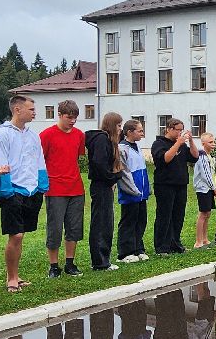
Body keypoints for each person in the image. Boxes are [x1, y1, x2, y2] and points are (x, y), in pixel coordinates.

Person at [0, 94, 48, 293]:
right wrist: (6, 192)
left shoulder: (33, 136)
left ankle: (16, 275)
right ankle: (11, 278)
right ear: (17, 109)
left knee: (20, 235)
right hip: (13, 190)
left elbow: (39, 160)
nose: (34, 113)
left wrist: (42, 185)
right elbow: (0, 163)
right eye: (31, 109)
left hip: (32, 190)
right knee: (15, 235)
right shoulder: (1, 135)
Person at [40, 99, 86, 278]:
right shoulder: (47, 135)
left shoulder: (79, 135)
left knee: (74, 228)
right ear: (59, 115)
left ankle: (70, 263)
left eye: (75, 118)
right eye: (69, 117)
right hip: (55, 189)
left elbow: (77, 157)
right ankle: (53, 265)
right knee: (55, 228)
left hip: (76, 188)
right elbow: (39, 161)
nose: (72, 121)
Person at [150, 118, 198, 255]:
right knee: (164, 215)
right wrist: (178, 143)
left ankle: (175, 243)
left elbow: (194, 157)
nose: (180, 133)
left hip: (180, 184)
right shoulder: (159, 143)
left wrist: (191, 141)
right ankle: (162, 246)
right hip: (165, 184)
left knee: (178, 215)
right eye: (177, 130)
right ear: (169, 129)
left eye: (181, 130)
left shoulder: (182, 145)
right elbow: (165, 158)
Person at [86, 112, 124, 271]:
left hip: (106, 184)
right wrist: (113, 177)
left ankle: (104, 258)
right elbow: (98, 163)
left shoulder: (109, 140)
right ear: (112, 125)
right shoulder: (101, 139)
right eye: (119, 125)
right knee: (101, 223)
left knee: (107, 222)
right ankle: (99, 261)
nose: (120, 129)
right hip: (101, 185)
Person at [116, 118, 150, 263]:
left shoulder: (137, 147)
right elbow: (124, 172)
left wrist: (146, 188)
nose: (142, 133)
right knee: (128, 221)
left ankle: (138, 248)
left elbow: (142, 169)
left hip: (141, 193)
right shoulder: (122, 149)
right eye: (140, 131)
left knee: (141, 220)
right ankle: (125, 252)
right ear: (129, 132)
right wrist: (133, 189)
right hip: (130, 192)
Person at [192, 131, 216, 249]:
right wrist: (214, 188)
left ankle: (205, 238)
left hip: (209, 188)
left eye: (214, 142)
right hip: (203, 188)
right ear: (203, 143)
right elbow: (205, 174)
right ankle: (198, 241)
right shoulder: (202, 155)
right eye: (210, 142)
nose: (213, 144)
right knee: (203, 213)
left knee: (208, 213)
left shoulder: (209, 156)